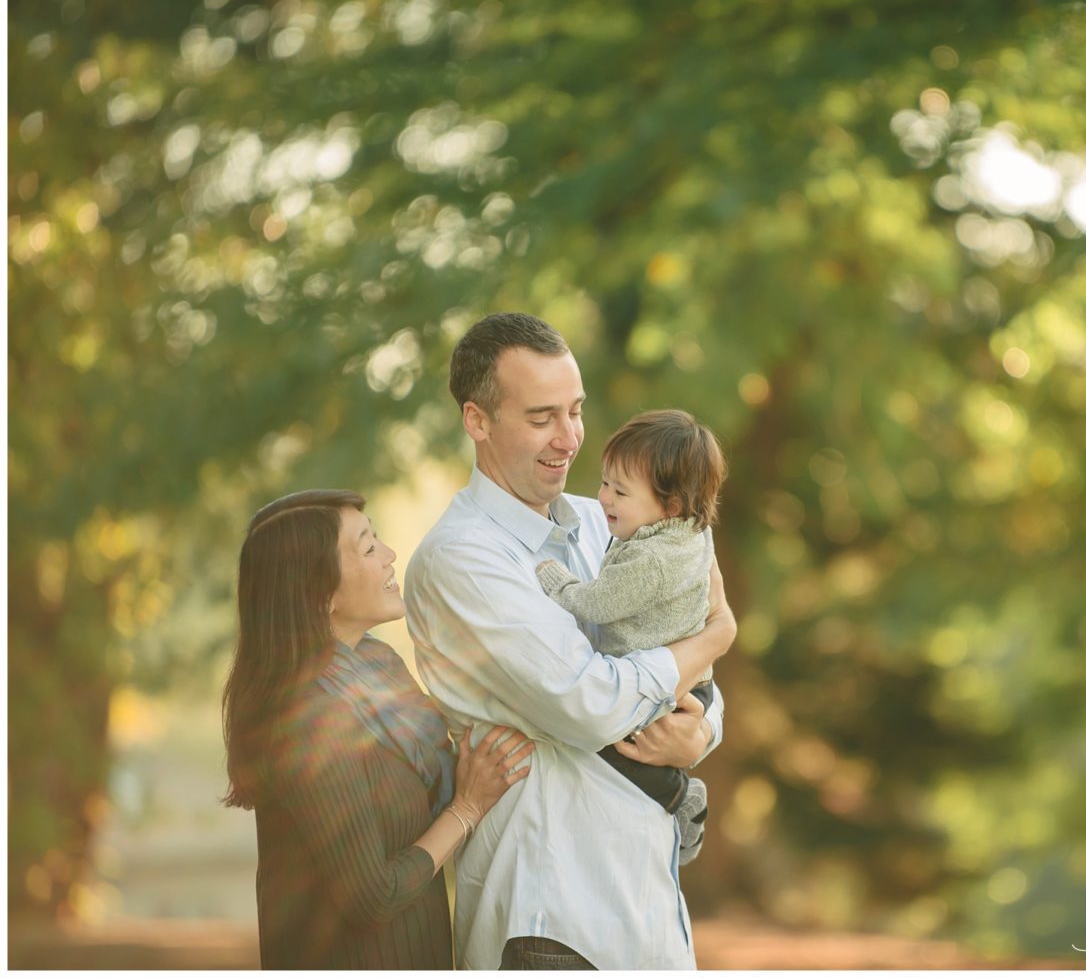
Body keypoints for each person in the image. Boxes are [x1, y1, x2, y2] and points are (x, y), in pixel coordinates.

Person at [404, 314, 737, 971]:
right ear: (477, 420)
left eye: (575, 411)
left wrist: (701, 731)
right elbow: (590, 704)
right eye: (541, 418)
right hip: (551, 923)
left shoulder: (604, 519)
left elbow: (684, 642)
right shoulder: (461, 560)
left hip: (646, 917)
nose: (568, 439)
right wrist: (715, 640)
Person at [222, 487, 534, 970]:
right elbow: (373, 896)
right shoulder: (306, 716)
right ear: (319, 594)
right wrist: (466, 809)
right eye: (368, 548)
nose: (390, 556)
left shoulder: (377, 665)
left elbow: (453, 764)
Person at [535, 408, 726, 868]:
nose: (603, 499)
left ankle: (679, 797)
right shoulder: (690, 534)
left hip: (667, 689)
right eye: (604, 483)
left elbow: (598, 604)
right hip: (688, 677)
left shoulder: (654, 561)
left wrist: (557, 582)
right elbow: (722, 624)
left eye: (620, 491)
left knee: (608, 746)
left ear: (673, 505)